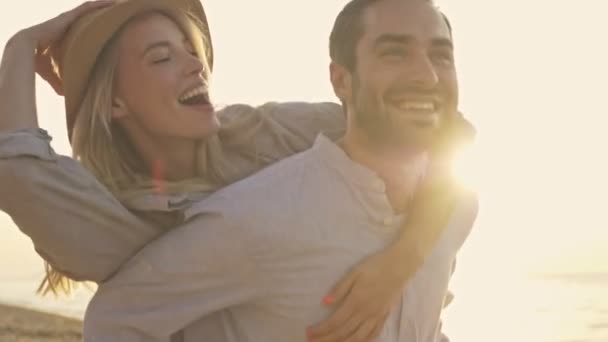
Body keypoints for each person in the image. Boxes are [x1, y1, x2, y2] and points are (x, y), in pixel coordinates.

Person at [0, 0, 475, 340]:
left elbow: (438, 132)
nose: (194, 67)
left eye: (192, 51)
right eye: (163, 58)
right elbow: (16, 172)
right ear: (116, 101)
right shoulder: (106, 218)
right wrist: (20, 46)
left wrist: (399, 265)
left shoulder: (263, 133)